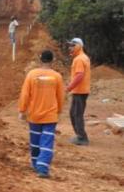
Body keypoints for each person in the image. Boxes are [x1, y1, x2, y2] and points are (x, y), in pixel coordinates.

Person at [18, 50, 65, 178]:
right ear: (52, 60)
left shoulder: (31, 75)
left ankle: (36, 164)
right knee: (47, 142)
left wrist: (22, 110)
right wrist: (59, 111)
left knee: (35, 141)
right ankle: (42, 168)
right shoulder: (57, 77)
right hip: (50, 116)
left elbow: (25, 94)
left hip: (34, 115)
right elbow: (61, 97)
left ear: (40, 60)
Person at [66, 37, 91, 146]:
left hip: (79, 91)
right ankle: (80, 135)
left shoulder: (79, 59)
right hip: (81, 90)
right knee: (74, 113)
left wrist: (68, 88)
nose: (70, 48)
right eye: (70, 45)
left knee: (76, 114)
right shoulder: (83, 57)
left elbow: (79, 75)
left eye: (72, 45)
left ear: (79, 46)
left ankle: (82, 137)